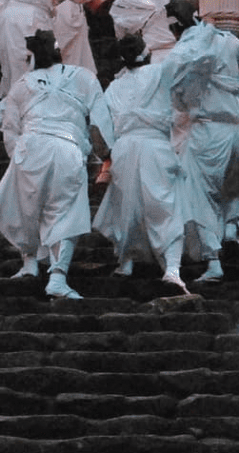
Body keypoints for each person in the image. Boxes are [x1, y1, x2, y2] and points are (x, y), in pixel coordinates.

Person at [0, 30, 114, 299]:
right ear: (60, 52)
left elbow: (10, 129)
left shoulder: (22, 83)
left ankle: (29, 263)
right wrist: (105, 155)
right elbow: (99, 122)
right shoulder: (84, 76)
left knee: (27, 206)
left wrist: (17, 158)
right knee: (66, 210)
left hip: (30, 146)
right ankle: (57, 276)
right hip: (67, 147)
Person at [164, 0, 239, 283]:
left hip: (207, 132)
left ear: (175, 27)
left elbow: (177, 101)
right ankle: (232, 229)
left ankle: (214, 262)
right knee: (236, 182)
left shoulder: (180, 53)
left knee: (200, 194)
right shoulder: (230, 40)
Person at [92, 34, 188, 293]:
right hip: (156, 146)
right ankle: (172, 268)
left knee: (126, 207)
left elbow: (99, 126)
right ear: (147, 54)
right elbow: (182, 107)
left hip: (123, 149)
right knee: (166, 204)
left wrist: (106, 155)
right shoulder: (161, 74)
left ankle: (126, 263)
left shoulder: (113, 88)